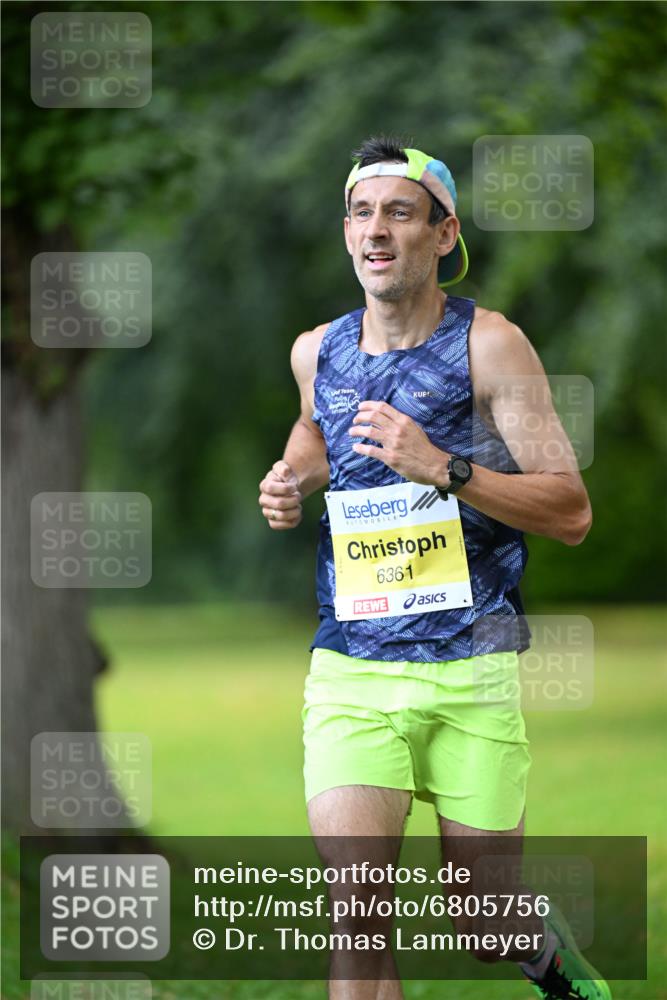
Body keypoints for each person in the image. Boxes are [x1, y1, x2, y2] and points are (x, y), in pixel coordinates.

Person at [258, 136, 609, 1000]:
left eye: (399, 213)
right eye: (361, 213)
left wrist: (442, 467)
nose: (376, 230)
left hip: (471, 670)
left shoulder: (491, 346)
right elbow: (314, 426)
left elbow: (569, 510)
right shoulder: (316, 351)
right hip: (352, 669)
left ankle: (543, 953)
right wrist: (292, 476)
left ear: (444, 233)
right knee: (356, 916)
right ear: (347, 233)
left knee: (482, 923)